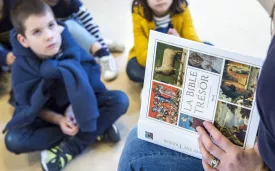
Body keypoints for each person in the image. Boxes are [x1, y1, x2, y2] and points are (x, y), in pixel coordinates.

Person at [119, 0, 275, 170]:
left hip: (262, 157)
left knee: (136, 148)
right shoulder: (139, 12)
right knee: (136, 69)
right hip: (268, 143)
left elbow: (193, 37)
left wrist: (257, 168)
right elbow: (143, 52)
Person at [3, 1, 129, 170]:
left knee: (120, 100)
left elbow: (90, 76)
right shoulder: (21, 66)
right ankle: (95, 131)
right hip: (50, 117)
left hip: (78, 107)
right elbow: (28, 105)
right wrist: (59, 119)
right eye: (37, 32)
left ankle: (71, 147)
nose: (49, 35)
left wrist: (75, 107)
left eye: (51, 25)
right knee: (14, 140)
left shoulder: (68, 44)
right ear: (23, 40)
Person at [44, 0, 123, 81]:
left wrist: (103, 50)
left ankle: (103, 53)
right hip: (61, 42)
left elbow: (90, 25)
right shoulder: (38, 7)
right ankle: (95, 43)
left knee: (68, 26)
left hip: (78, 30)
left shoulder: (72, 2)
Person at [126, 0, 201, 83]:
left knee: (207, 48)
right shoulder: (138, 11)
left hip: (178, 58)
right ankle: (175, 80)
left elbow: (194, 41)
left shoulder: (182, 6)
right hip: (156, 60)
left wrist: (180, 42)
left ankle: (164, 80)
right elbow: (142, 56)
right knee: (133, 69)